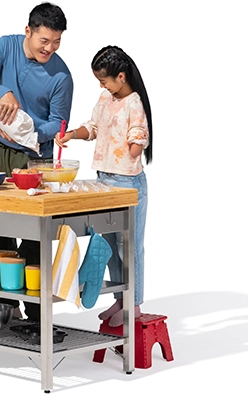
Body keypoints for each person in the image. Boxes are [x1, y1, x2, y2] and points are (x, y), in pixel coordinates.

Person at [0, 2, 73, 320]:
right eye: (44, 40)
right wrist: (3, 93)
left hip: (34, 159)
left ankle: (36, 309)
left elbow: (59, 124)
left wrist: (28, 132)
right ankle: (5, 307)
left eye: (56, 42)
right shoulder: (6, 46)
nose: (49, 49)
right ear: (29, 31)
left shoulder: (61, 75)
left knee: (33, 233)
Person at [55, 45, 152, 327]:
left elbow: (137, 140)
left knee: (130, 246)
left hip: (128, 183)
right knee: (107, 243)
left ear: (121, 76)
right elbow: (94, 127)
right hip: (104, 180)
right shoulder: (106, 97)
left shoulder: (135, 103)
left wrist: (134, 145)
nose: (102, 85)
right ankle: (119, 300)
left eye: (105, 80)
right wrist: (72, 134)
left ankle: (133, 303)